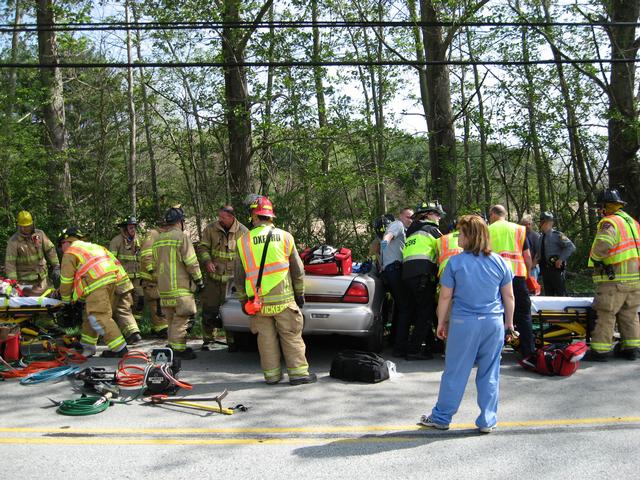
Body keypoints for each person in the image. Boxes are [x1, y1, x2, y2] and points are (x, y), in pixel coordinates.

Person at [420, 215, 515, 433]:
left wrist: (441, 322)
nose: (458, 237)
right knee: (490, 372)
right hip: (493, 323)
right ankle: (487, 420)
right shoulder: (501, 262)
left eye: (461, 233)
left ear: (470, 236)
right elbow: (509, 297)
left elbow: (445, 298)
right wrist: (509, 324)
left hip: (464, 323)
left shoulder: (455, 263)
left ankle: (442, 417)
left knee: (455, 371)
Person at [235, 196, 316, 385]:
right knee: (290, 335)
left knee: (266, 340)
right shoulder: (285, 237)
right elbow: (298, 270)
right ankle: (298, 374)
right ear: (270, 216)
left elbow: (239, 276)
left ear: (254, 216)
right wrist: (300, 293)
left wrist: (242, 301)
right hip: (284, 299)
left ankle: (271, 376)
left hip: (258, 302)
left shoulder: (243, 241)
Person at [584, 189, 640, 362]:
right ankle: (631, 348)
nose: (600, 211)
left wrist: (595, 258)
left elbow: (604, 243)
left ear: (606, 206)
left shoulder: (609, 222)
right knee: (629, 315)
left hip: (613, 280)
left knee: (606, 315)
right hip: (634, 279)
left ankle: (600, 351)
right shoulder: (632, 222)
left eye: (600, 207)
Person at [58, 227, 130, 358]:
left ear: (65, 242)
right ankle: (88, 346)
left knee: (98, 316)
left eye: (61, 245)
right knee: (89, 314)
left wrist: (66, 301)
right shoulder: (93, 247)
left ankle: (120, 348)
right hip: (112, 281)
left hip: (97, 283)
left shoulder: (70, 252)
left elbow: (66, 280)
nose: (61, 249)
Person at [151, 206, 204, 360]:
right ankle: (178, 349)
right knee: (182, 319)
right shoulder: (182, 237)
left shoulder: (158, 240)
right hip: (181, 289)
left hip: (164, 289)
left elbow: (154, 265)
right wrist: (199, 281)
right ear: (180, 222)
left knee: (171, 320)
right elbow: (191, 262)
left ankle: (172, 347)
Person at [196, 205, 248, 351]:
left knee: (231, 311)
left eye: (223, 217)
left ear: (232, 217)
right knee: (209, 309)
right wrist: (207, 261)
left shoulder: (243, 232)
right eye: (219, 217)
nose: (220, 220)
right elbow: (203, 247)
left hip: (232, 282)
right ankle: (208, 340)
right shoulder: (211, 229)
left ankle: (232, 341)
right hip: (213, 279)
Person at [488, 204, 535, 358]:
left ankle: (495, 353)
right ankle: (528, 352)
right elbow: (527, 257)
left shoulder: (487, 230)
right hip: (518, 276)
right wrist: (528, 275)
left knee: (496, 314)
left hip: (494, 278)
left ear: (493, 215)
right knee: (523, 315)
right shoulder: (519, 229)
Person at [401, 202, 444, 360]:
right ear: (428, 215)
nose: (439, 217)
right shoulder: (432, 230)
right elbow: (444, 251)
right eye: (437, 214)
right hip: (422, 275)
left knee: (421, 311)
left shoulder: (412, 231)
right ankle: (414, 350)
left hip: (408, 275)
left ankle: (431, 345)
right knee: (425, 313)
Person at [380, 207, 414, 357]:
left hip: (390, 270)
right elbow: (389, 235)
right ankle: (400, 347)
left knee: (400, 307)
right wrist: (385, 241)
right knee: (406, 307)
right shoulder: (398, 225)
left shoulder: (405, 230)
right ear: (401, 216)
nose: (410, 220)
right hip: (394, 269)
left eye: (412, 218)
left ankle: (395, 340)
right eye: (408, 217)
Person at [5, 210, 59, 292]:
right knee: (29, 303)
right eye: (23, 226)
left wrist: (56, 266)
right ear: (19, 226)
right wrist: (13, 281)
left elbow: (50, 250)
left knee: (46, 301)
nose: (25, 228)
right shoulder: (13, 241)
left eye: (28, 226)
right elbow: (10, 264)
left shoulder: (39, 234)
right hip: (24, 282)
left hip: (42, 278)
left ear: (32, 224)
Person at [139, 224, 168, 337]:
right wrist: (153, 272)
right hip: (151, 278)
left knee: (159, 302)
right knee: (156, 301)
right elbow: (146, 255)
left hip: (158, 277)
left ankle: (159, 328)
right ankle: (161, 329)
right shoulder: (153, 234)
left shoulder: (162, 235)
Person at [536, 211, 575, 296]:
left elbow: (570, 247)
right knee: (549, 295)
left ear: (551, 223)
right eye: (543, 222)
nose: (544, 224)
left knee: (561, 293)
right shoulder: (540, 238)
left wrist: (561, 259)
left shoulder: (558, 235)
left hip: (556, 270)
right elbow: (538, 254)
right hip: (545, 271)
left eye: (547, 222)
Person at [520, 214, 540, 281]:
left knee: (532, 288)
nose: (527, 226)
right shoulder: (520, 235)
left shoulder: (536, 236)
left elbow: (538, 253)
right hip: (522, 268)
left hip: (532, 268)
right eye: (525, 224)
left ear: (531, 224)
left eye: (529, 224)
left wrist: (532, 265)